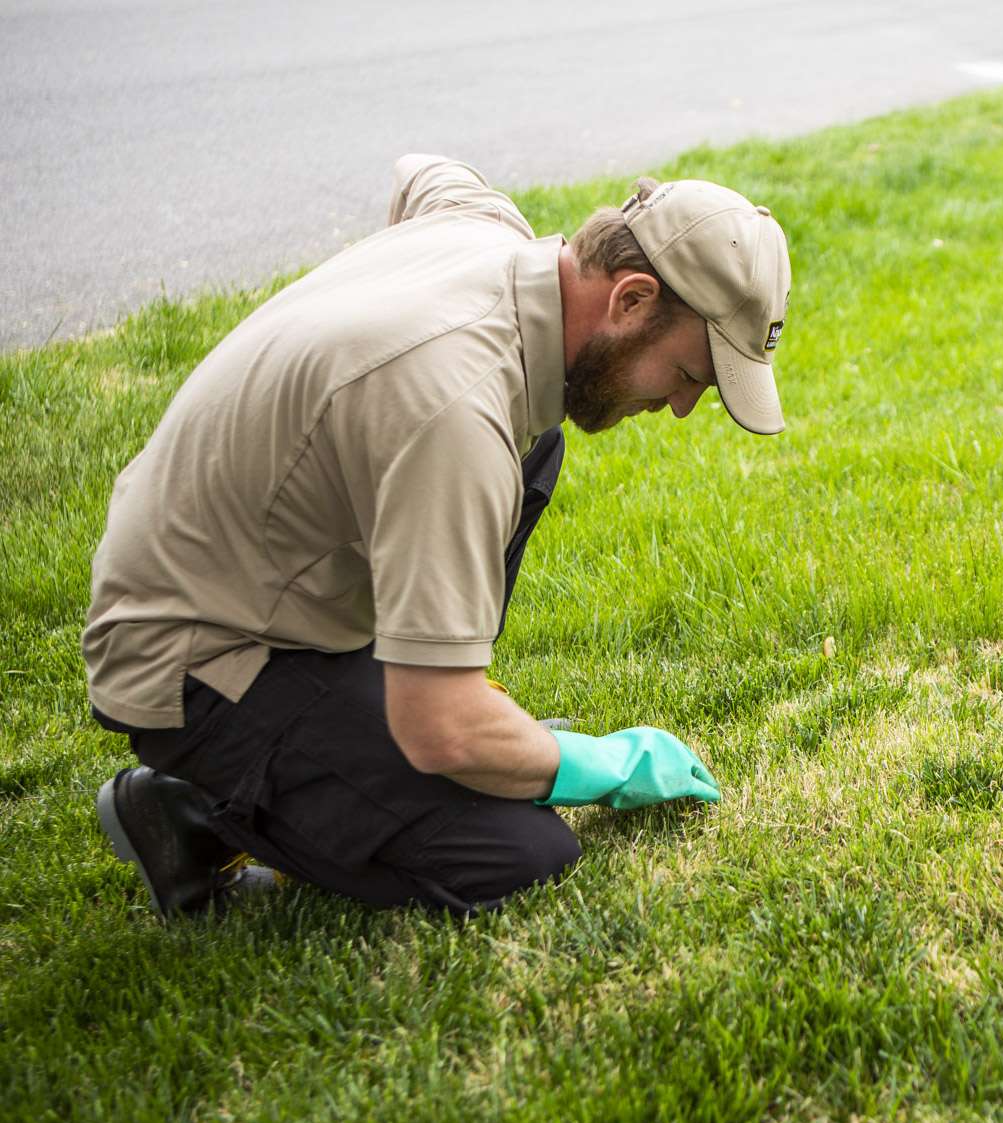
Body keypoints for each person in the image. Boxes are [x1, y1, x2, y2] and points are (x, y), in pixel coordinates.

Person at [85, 154, 791, 917]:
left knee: (534, 443)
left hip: (261, 576)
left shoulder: (486, 233)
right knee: (517, 854)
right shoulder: (452, 412)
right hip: (194, 655)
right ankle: (186, 807)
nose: (683, 406)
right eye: (689, 373)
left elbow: (426, 169)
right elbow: (440, 734)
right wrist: (603, 763)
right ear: (631, 297)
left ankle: (410, 695)